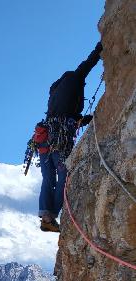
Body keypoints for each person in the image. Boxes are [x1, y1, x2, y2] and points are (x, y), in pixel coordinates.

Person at [38, 41, 103, 232]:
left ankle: (45, 215)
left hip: (44, 138)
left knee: (48, 177)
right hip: (60, 139)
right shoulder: (75, 78)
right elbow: (88, 64)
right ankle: (52, 216)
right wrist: (101, 46)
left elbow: (64, 112)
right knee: (64, 174)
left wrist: (82, 119)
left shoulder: (54, 92)